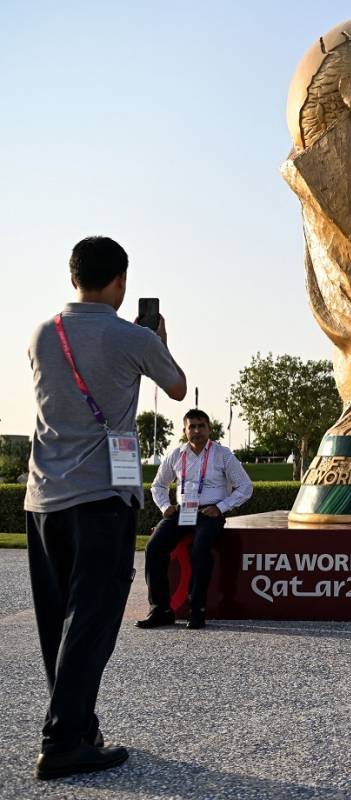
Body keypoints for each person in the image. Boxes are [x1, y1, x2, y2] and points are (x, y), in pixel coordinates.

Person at [25, 236, 187, 780]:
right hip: (101, 497)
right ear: (120, 281)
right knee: (92, 620)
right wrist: (156, 340)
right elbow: (178, 387)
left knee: (59, 622)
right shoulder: (128, 336)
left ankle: (78, 723)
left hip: (43, 497)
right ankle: (65, 740)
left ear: (74, 277)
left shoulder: (43, 333)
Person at [138, 409, 252, 630]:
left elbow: (245, 487)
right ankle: (160, 609)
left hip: (210, 513)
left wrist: (220, 508)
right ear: (184, 430)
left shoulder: (223, 454)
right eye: (192, 426)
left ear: (210, 428)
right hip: (182, 511)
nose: (197, 431)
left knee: (200, 550)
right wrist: (165, 506)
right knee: (153, 548)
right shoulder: (176, 454)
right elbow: (158, 485)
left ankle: (197, 609)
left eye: (201, 426)